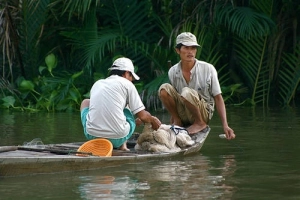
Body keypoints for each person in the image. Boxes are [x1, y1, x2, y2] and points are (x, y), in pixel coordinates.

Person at [158, 32, 235, 140]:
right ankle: (178, 121)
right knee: (164, 88)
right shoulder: (173, 71)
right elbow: (174, 98)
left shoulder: (208, 69)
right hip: (184, 111)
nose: (190, 52)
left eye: (193, 48)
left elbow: (218, 98)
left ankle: (199, 123)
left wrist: (225, 125)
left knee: (186, 92)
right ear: (178, 50)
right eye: (186, 48)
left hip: (203, 112)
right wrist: (174, 118)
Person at [80, 57, 162, 151]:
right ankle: (123, 146)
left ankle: (100, 132)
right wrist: (152, 120)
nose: (131, 80)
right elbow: (143, 116)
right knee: (126, 105)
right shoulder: (127, 84)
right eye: (131, 77)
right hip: (117, 138)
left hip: (92, 135)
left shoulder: (98, 83)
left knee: (85, 102)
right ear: (127, 73)